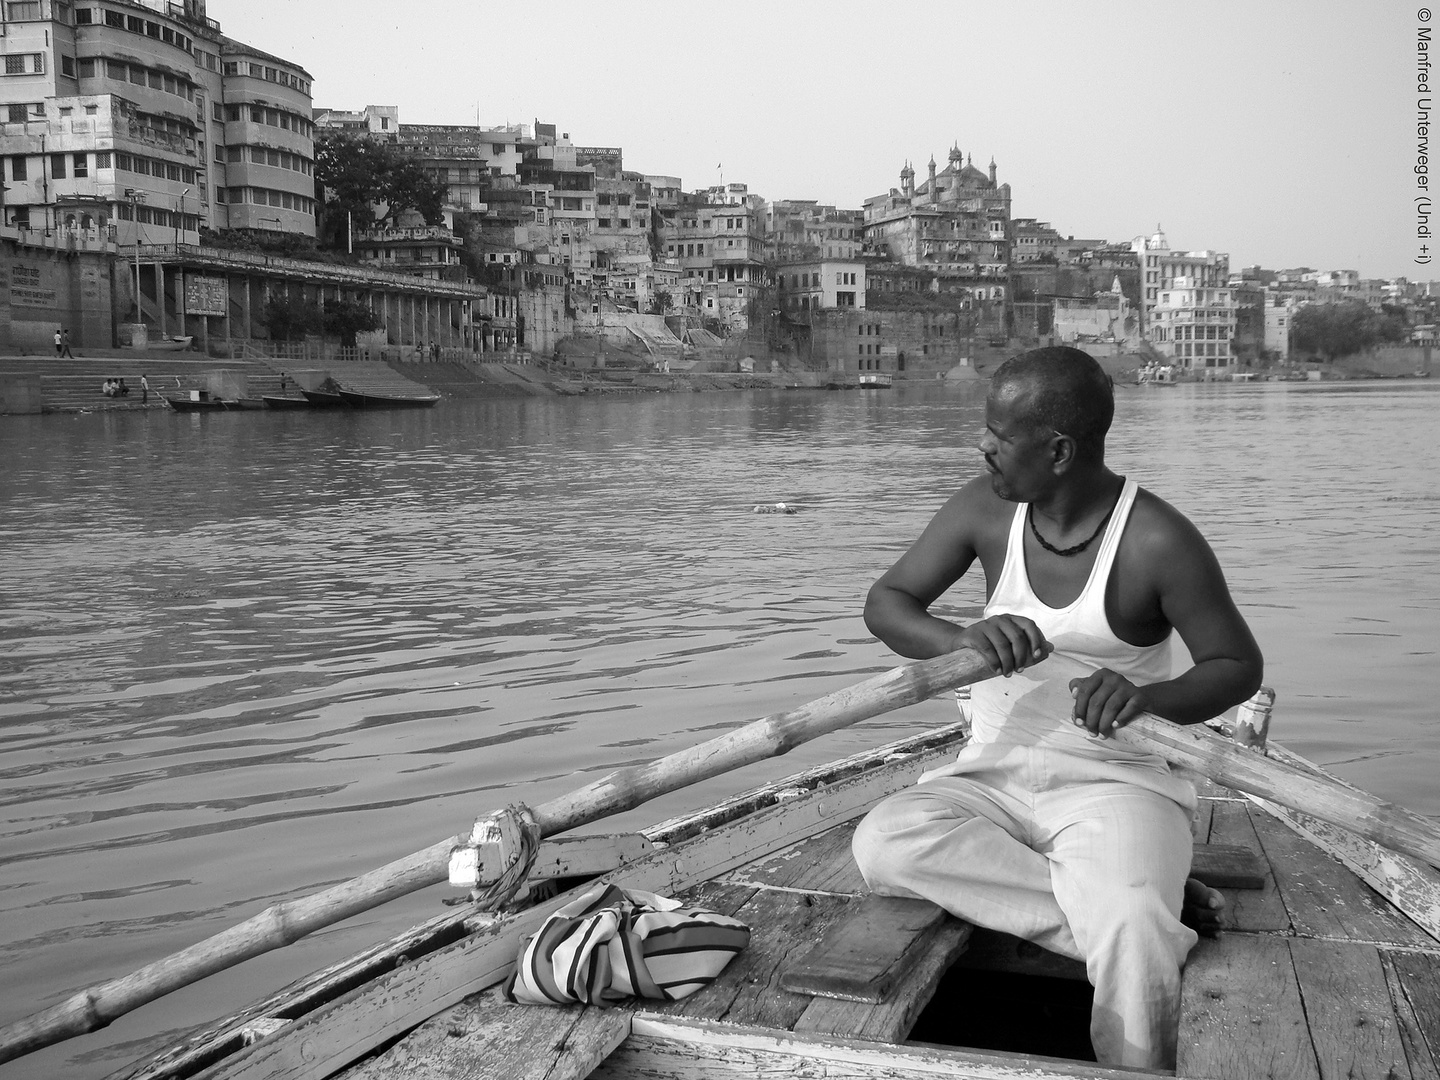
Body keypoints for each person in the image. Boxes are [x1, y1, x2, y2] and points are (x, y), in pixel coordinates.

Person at [850, 346, 1262, 1069]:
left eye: (999, 436)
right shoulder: (984, 510)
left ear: (1060, 449)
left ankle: (1135, 924)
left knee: (1132, 921)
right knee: (883, 844)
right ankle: (1137, 913)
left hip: (1115, 783)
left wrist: (1146, 697)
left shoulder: (1157, 540)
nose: (982, 446)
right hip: (992, 776)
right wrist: (963, 637)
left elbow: (1236, 667)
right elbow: (886, 604)